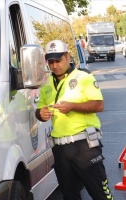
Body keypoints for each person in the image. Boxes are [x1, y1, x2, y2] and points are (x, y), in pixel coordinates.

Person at [35, 39, 114, 200]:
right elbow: (40, 109)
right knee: (69, 195)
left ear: (67, 56)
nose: (54, 65)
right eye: (51, 62)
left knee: (100, 193)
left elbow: (99, 105)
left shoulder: (83, 76)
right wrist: (40, 114)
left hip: (84, 146)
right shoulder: (46, 83)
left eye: (58, 60)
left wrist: (72, 106)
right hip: (60, 149)